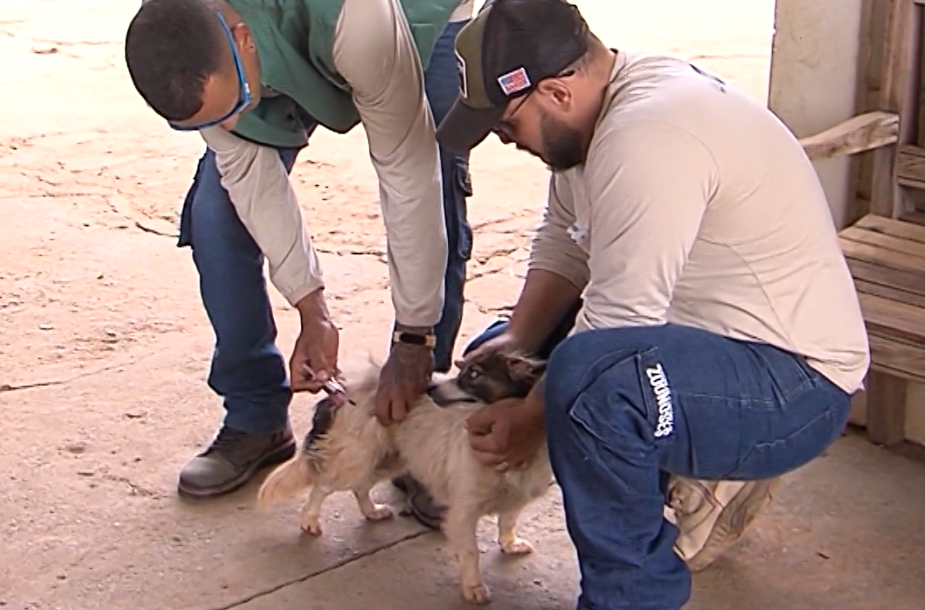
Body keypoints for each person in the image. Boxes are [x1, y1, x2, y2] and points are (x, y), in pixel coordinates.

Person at [435, 0, 871, 608]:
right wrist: (515, 346)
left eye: (507, 125)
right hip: (712, 350)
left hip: (792, 388)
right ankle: (688, 477)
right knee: (513, 354)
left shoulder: (648, 134)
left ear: (557, 93)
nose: (505, 142)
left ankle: (632, 594)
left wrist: (531, 418)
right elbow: (564, 243)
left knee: (593, 387)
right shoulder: (592, 117)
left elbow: (619, 321)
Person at [123, 0, 475, 499]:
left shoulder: (360, 24)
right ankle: (255, 414)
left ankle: (415, 425)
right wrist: (312, 308)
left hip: (415, 14)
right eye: (210, 118)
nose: (230, 125)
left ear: (243, 39)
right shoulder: (186, 28)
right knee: (217, 214)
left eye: (236, 104)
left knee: (435, 179)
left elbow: (407, 173)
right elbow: (249, 175)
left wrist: (414, 335)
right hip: (277, 38)